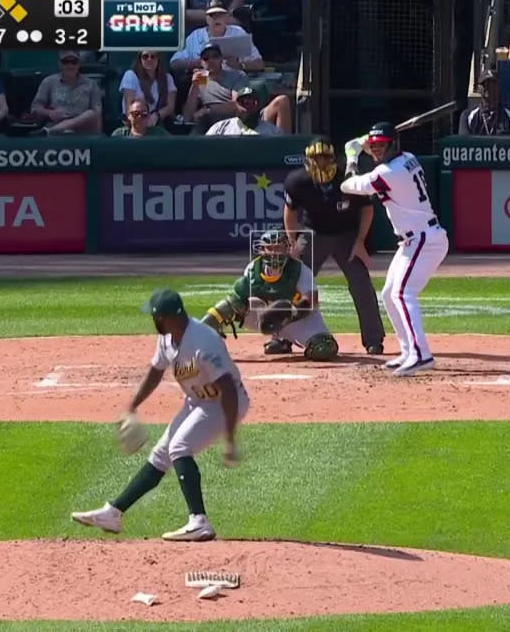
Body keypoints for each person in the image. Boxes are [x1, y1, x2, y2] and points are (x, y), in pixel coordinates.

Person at [70, 289, 246, 542]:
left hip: (225, 402)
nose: (153, 321)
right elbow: (155, 372)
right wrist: (132, 405)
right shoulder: (167, 339)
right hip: (198, 400)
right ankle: (113, 513)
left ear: (166, 317)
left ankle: (199, 521)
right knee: (161, 454)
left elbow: (228, 388)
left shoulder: (203, 342)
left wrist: (229, 437)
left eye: (155, 316)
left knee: (179, 447)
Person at [340, 122, 449, 378]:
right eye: (374, 146)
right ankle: (408, 350)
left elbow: (349, 185)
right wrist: (368, 142)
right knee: (389, 294)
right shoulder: (407, 158)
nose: (377, 150)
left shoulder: (387, 174)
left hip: (424, 239)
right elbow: (380, 155)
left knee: (403, 293)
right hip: (414, 240)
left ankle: (422, 355)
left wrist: (352, 156)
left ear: (393, 145)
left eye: (382, 146)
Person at [281, 137, 385, 355]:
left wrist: (359, 242)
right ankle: (281, 337)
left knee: (361, 285)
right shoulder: (297, 180)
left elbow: (367, 210)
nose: (320, 163)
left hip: (346, 235)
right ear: (307, 160)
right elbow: (289, 212)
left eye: (325, 158)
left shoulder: (348, 179)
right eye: (316, 158)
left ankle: (373, 339)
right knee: (292, 282)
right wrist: (293, 244)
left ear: (334, 159)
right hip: (312, 233)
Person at [200, 230, 340, 360]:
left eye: (278, 248)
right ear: (262, 250)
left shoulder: (300, 270)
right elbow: (237, 298)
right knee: (229, 304)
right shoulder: (253, 269)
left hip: (297, 318)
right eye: (270, 248)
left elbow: (312, 300)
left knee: (323, 348)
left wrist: (289, 312)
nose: (274, 253)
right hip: (263, 318)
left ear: (287, 249)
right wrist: (267, 313)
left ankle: (285, 339)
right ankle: (201, 337)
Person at [119, 50, 177, 126]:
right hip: (134, 123)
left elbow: (170, 107)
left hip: (155, 123)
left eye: (153, 56)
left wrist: (156, 115)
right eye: (145, 56)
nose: (149, 59)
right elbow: (129, 105)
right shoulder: (130, 75)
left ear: (158, 59)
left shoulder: (167, 78)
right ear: (140, 59)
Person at [458, 69, 510, 135]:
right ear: (479, 89)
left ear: (499, 88)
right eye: (485, 85)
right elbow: (464, 143)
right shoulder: (467, 117)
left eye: (493, 85)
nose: (489, 88)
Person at [204, 86, 281, 135]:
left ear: (259, 105)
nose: (248, 107)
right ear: (235, 105)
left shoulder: (273, 132)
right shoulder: (220, 128)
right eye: (243, 102)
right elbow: (206, 149)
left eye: (253, 102)